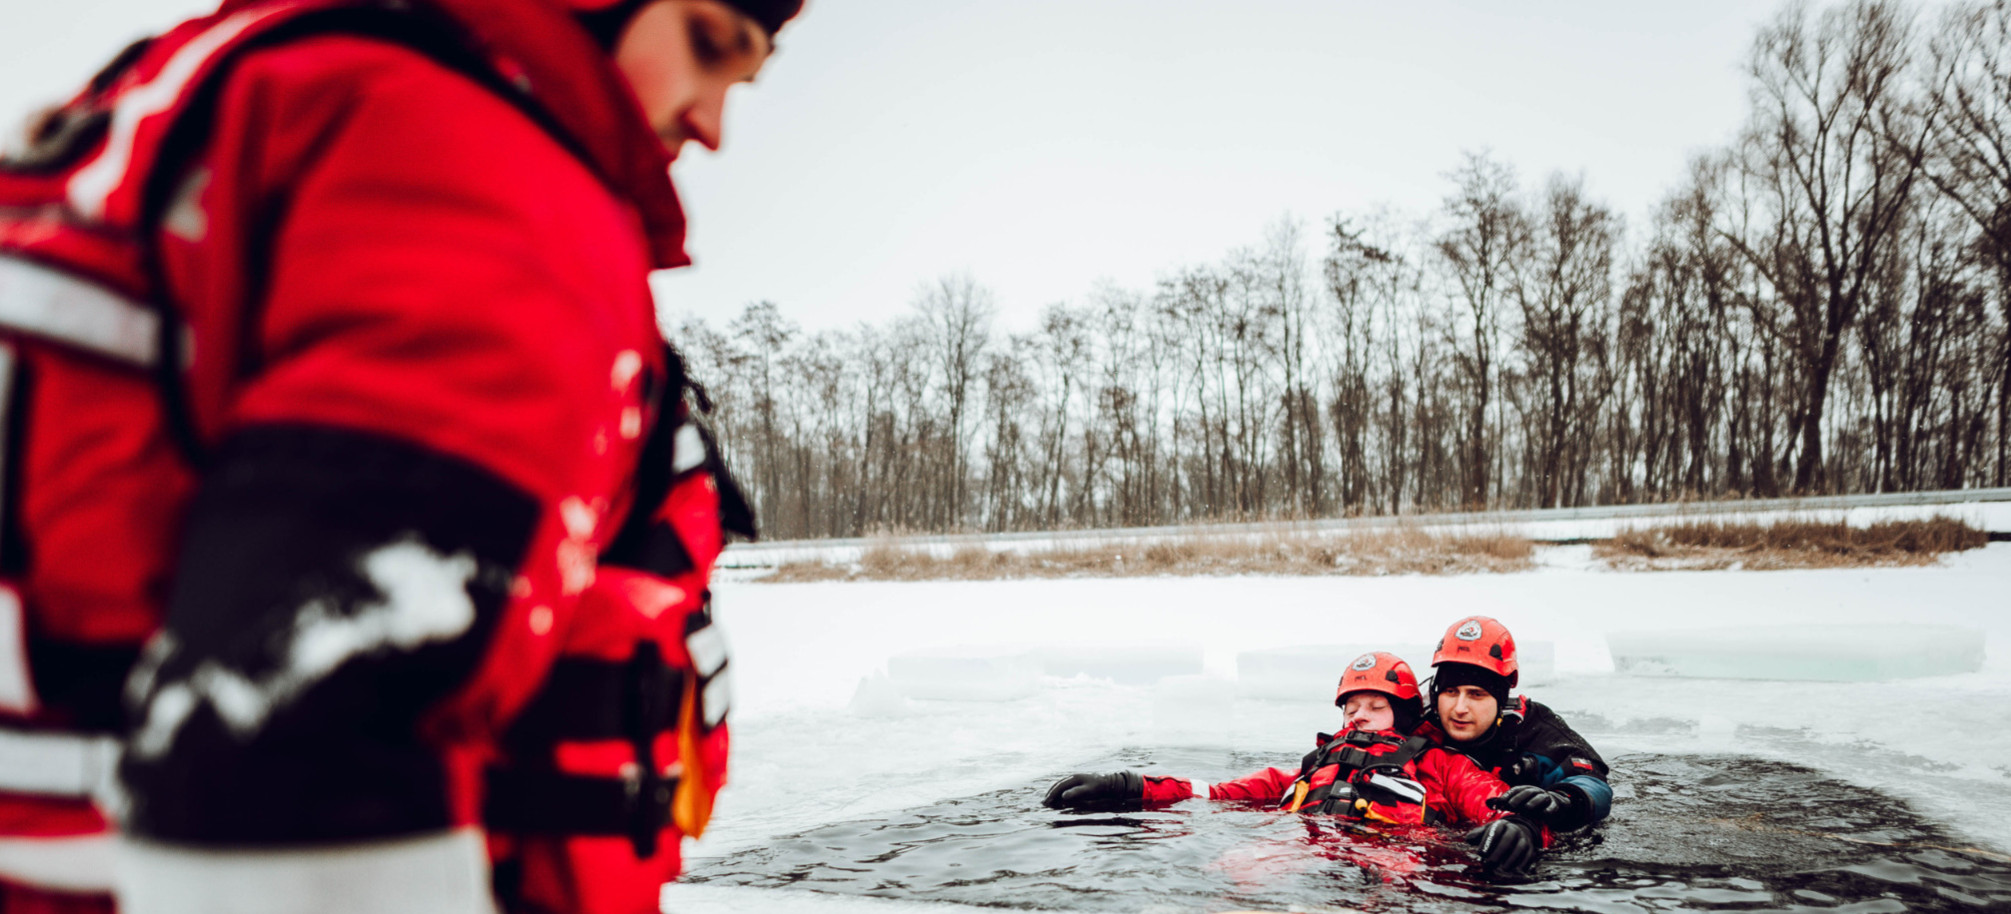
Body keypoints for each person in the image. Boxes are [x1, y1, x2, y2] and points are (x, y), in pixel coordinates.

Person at [0, 1, 795, 912]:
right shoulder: (471, 166)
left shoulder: (255, 78)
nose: (712, 123)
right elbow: (306, 721)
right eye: (708, 45)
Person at [1042, 652, 1549, 879]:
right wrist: (1130, 785)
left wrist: (1521, 827)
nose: (1358, 717)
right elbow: (1216, 793)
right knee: (1231, 874)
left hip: (1395, 859)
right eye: (1351, 708)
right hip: (1302, 846)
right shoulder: (1309, 769)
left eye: (1374, 707)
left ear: (1404, 713)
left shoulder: (1438, 762)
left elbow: (1495, 803)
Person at [1419, 616, 1614, 835]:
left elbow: (1592, 782)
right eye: (1451, 692)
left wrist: (1562, 801)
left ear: (1501, 699)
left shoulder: (1533, 729)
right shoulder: (1420, 722)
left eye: (1476, 694)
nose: (1459, 708)